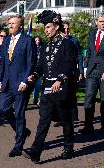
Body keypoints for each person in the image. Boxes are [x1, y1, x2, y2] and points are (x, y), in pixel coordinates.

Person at [22, 10, 77, 163]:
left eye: (48, 27)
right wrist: (34, 75)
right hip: (47, 88)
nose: (45, 30)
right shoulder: (45, 46)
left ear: (56, 26)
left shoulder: (68, 44)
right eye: (45, 28)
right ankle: (35, 152)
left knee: (66, 120)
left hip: (62, 88)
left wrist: (60, 79)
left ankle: (68, 148)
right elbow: (41, 66)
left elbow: (70, 64)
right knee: (43, 121)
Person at [0, 14, 36, 157]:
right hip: (6, 82)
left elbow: (31, 63)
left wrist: (25, 81)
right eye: (9, 23)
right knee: (2, 109)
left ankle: (18, 146)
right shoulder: (6, 41)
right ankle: (23, 131)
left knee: (19, 114)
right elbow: (4, 61)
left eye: (13, 23)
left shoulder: (28, 40)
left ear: (20, 25)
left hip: (21, 84)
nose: (10, 26)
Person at [79, 12, 104, 134]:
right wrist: (85, 68)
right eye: (101, 21)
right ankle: (88, 126)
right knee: (89, 97)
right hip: (91, 70)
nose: (103, 23)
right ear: (96, 22)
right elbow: (89, 52)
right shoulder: (92, 33)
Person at [53, 20, 84, 127]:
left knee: (71, 94)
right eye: (64, 29)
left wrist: (80, 71)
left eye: (68, 29)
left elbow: (79, 56)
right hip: (59, 72)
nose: (66, 31)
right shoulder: (56, 40)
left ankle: (73, 117)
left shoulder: (74, 40)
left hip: (72, 71)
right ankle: (62, 117)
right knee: (60, 95)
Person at [32, 36, 45, 106]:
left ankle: (35, 99)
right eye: (36, 40)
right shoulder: (32, 48)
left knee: (38, 85)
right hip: (32, 69)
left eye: (38, 40)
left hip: (39, 70)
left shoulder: (42, 49)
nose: (37, 41)